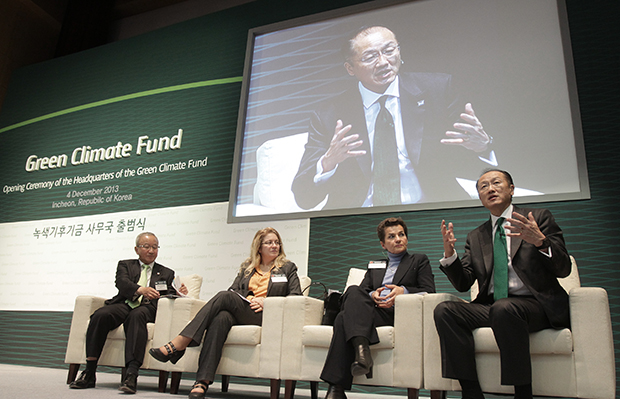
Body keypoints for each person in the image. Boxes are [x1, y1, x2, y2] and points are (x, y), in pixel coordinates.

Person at [292, 25, 493, 210]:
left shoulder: (437, 91)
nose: (383, 62)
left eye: (389, 51)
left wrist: (482, 146)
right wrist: (328, 162)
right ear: (350, 68)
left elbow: (466, 162)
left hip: (428, 211)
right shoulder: (329, 114)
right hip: (359, 220)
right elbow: (304, 198)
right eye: (370, 56)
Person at [434, 169, 571, 399]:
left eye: (496, 183)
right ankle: (471, 392)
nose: (490, 189)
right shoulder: (476, 236)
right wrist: (450, 256)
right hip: (495, 306)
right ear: (479, 197)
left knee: (505, 308)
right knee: (445, 311)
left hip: (535, 306)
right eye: (483, 186)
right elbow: (463, 282)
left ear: (512, 189)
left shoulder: (537, 218)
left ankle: (522, 393)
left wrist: (540, 241)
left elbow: (563, 268)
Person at [149, 227, 302, 399]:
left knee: (224, 296)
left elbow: (296, 296)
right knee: (220, 318)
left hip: (266, 315)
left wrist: (267, 301)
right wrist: (250, 296)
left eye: (277, 242)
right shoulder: (247, 267)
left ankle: (180, 343)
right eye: (269, 242)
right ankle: (202, 381)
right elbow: (234, 290)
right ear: (259, 247)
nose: (274, 245)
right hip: (245, 310)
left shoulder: (287, 268)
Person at [320, 217, 436, 399]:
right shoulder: (375, 265)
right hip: (370, 312)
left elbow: (429, 292)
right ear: (383, 244)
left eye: (401, 234)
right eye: (391, 237)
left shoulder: (418, 260)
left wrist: (403, 291)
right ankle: (361, 352)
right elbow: (362, 290)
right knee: (352, 291)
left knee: (343, 319)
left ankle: (337, 387)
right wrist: (371, 294)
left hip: (396, 314)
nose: (398, 239)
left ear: (406, 238)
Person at [69, 231, 188, 394]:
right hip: (125, 303)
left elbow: (168, 293)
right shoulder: (125, 265)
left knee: (136, 316)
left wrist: (179, 292)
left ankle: (131, 374)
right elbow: (122, 283)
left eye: (155, 247)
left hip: (147, 308)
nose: (151, 251)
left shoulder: (166, 272)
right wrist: (140, 290)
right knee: (100, 315)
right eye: (146, 247)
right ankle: (89, 371)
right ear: (136, 249)